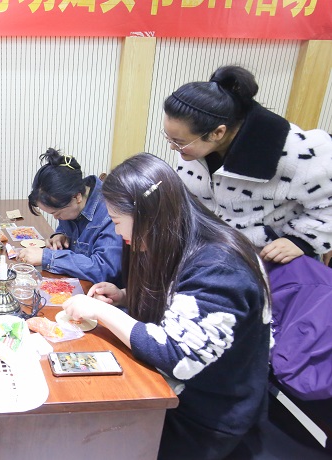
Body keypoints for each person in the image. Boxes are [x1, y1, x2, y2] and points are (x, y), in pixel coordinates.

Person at [63, 153, 271, 460]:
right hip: (176, 391)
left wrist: (102, 311)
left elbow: (177, 356)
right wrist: (125, 295)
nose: (118, 233)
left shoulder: (221, 267)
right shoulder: (183, 237)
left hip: (206, 415)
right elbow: (181, 298)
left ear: (147, 214)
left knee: (86, 435)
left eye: (117, 222)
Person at [162, 65, 332, 265]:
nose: (173, 147)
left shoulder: (297, 152)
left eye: (179, 142)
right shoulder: (196, 148)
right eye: (169, 138)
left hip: (270, 260)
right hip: (218, 252)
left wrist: (301, 241)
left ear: (218, 133)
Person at [20, 148, 123, 284]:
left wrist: (47, 257)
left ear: (77, 197)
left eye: (57, 213)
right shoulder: (72, 195)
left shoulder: (110, 212)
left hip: (101, 292)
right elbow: (68, 229)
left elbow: (104, 269)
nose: (56, 218)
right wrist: (60, 235)